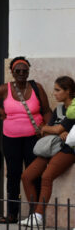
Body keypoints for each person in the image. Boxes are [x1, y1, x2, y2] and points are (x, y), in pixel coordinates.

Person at [0, 56, 52, 224]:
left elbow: (47, 110)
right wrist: (0, 110)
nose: (21, 73)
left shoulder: (36, 87)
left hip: (34, 138)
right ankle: (12, 213)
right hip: (11, 139)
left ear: (28, 72)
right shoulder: (6, 89)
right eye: (17, 71)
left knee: (35, 175)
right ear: (12, 72)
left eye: (24, 71)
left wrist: (48, 129)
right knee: (13, 175)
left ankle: (36, 214)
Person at [19, 76, 75, 227]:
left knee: (46, 177)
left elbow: (55, 128)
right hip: (52, 147)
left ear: (68, 91)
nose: (54, 93)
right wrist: (54, 131)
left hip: (68, 150)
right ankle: (34, 213)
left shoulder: (73, 109)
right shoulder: (58, 109)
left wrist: (51, 129)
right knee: (26, 176)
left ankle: (38, 215)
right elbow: (48, 131)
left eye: (58, 90)